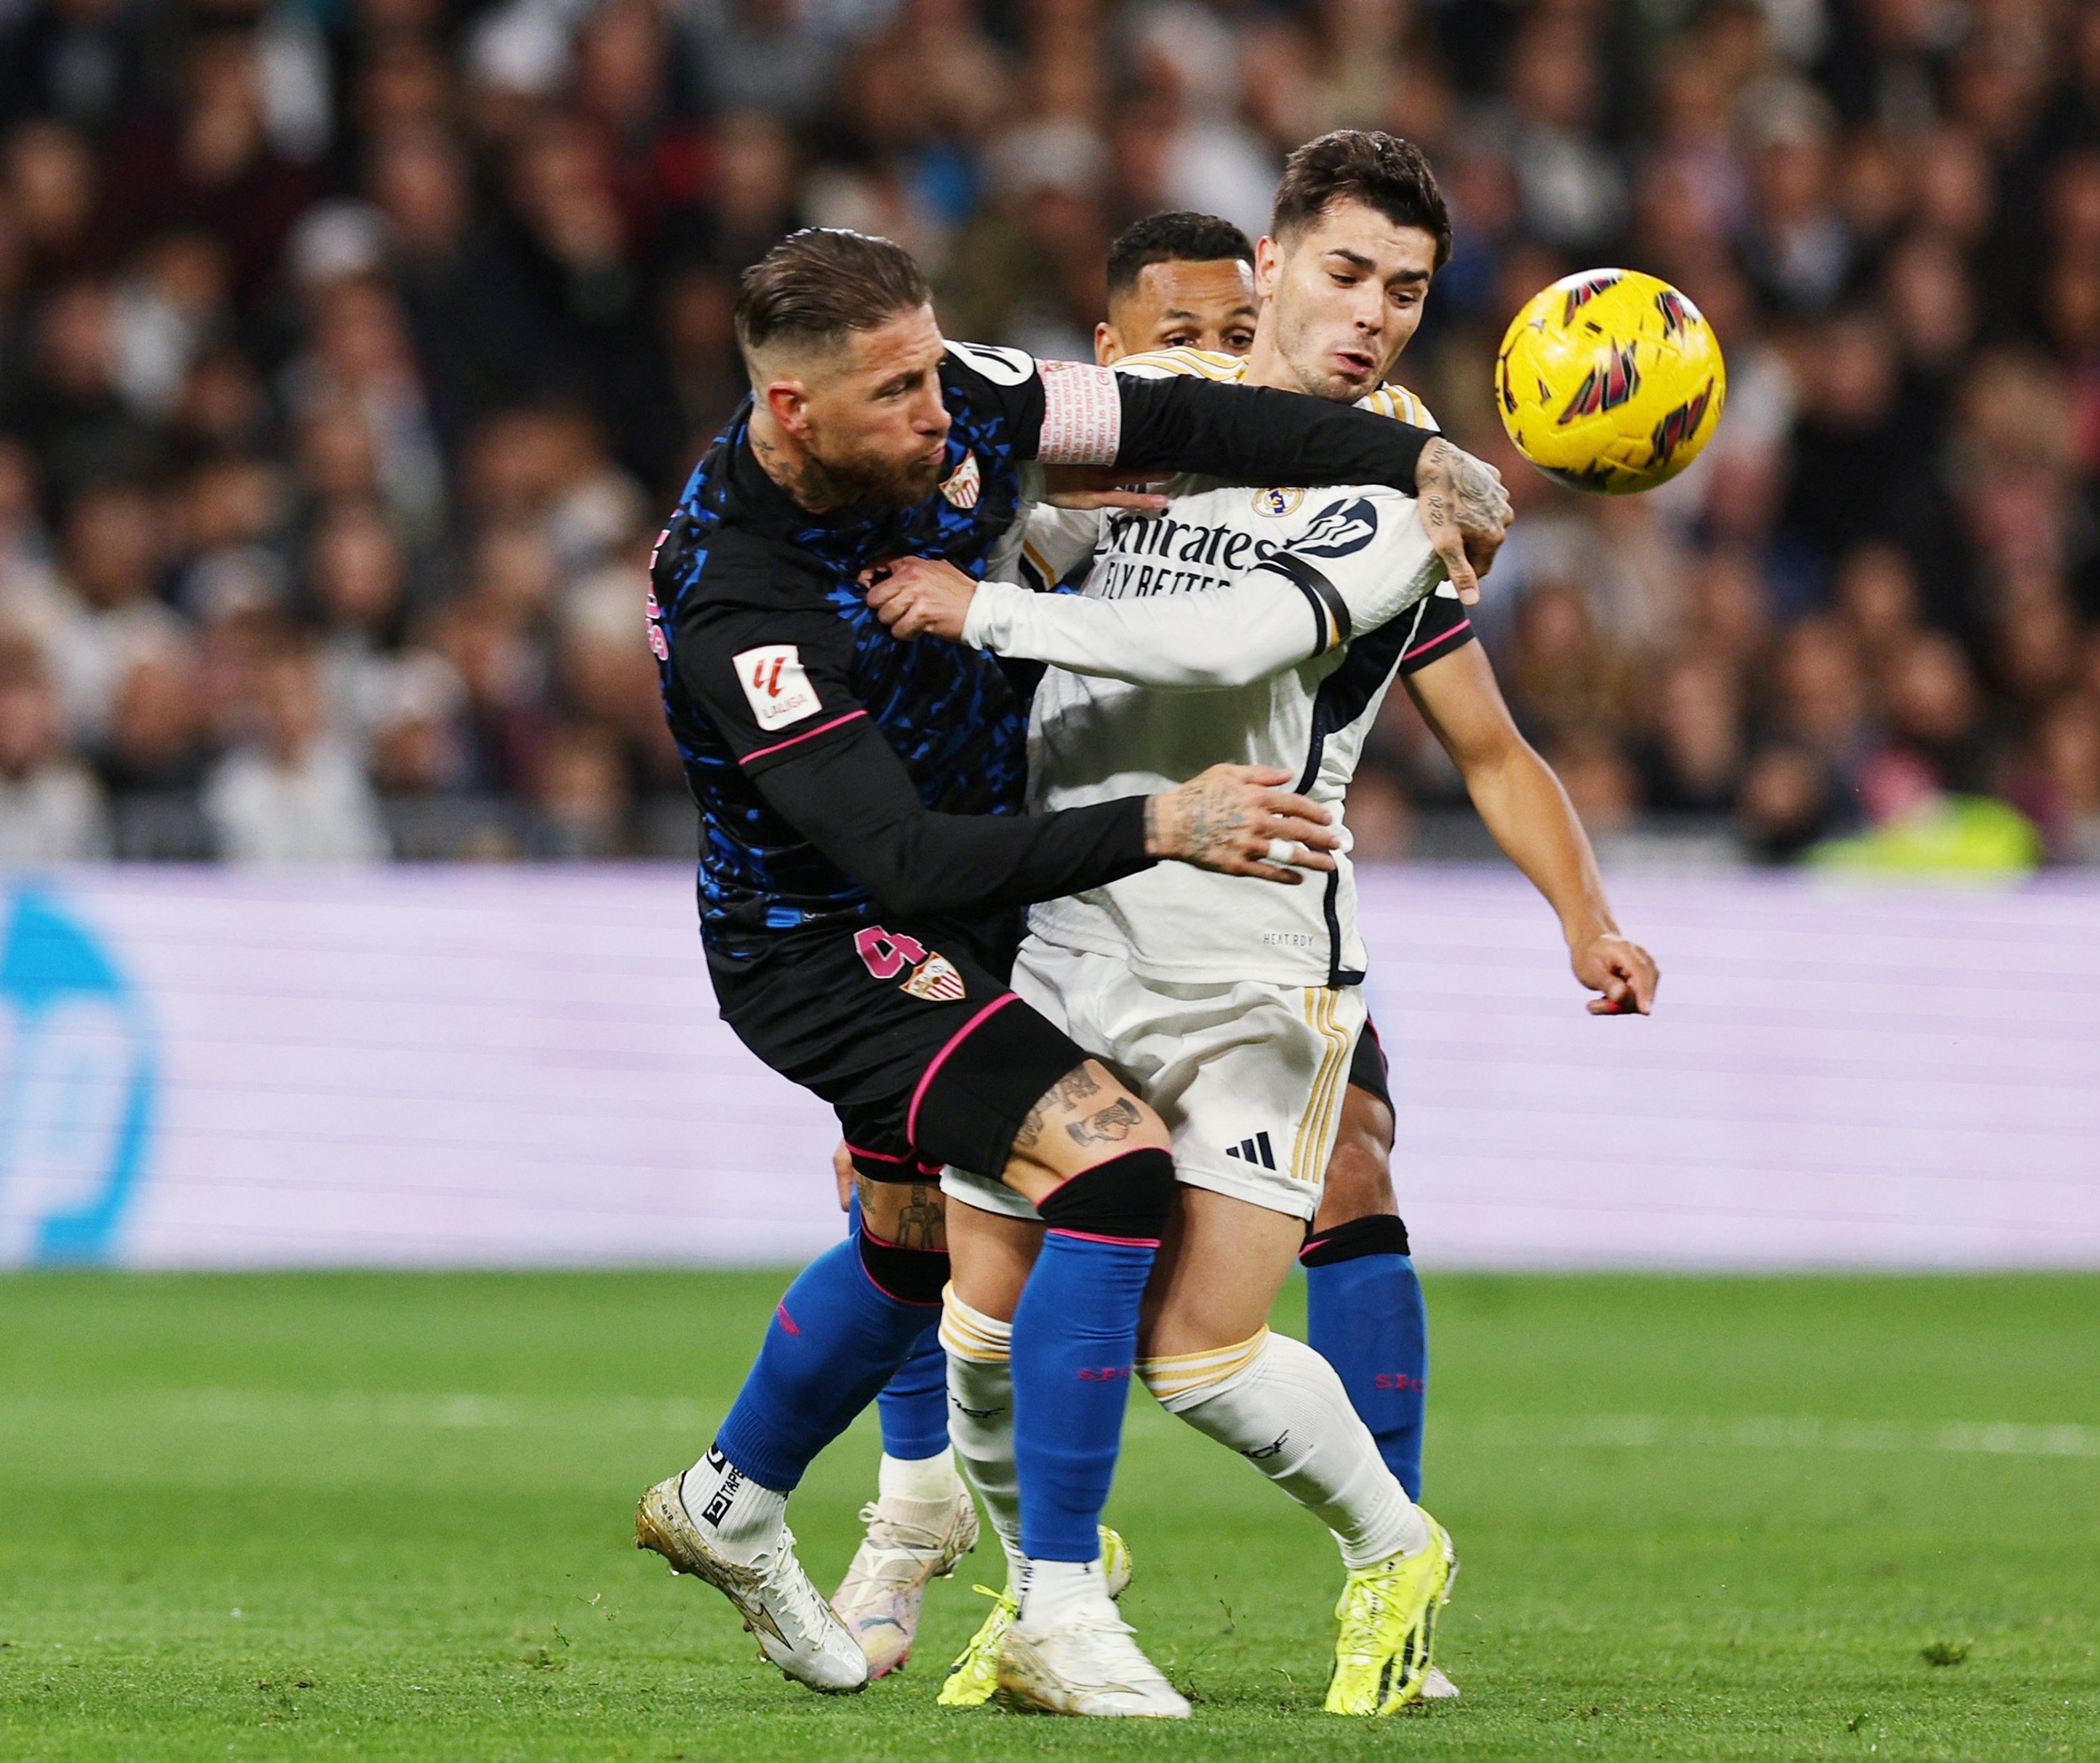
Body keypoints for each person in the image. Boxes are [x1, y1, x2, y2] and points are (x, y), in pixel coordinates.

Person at [629, 225, 1511, 1717]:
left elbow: (1177, 418)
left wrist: (1394, 456)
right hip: (829, 941)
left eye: (934, 365)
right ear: (794, 412)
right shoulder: (736, 595)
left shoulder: (959, 394)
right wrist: (1165, 820)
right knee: (1105, 1170)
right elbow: (898, 859)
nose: (940, 413)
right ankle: (1053, 1602)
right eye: (897, 392)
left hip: (983, 902)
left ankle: (732, 1502)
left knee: (910, 1251)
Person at [867, 131, 1656, 1716]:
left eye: (1407, 293)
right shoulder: (1137, 424)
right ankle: (1035, 1594)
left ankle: (1389, 1563)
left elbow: (1436, 722)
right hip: (1067, 910)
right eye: (1346, 274)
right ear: (1270, 264)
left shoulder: (1402, 480)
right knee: (976, 1310)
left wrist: (1585, 913)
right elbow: (982, 468)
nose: (1370, 315)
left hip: (1253, 943)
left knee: (1229, 1313)